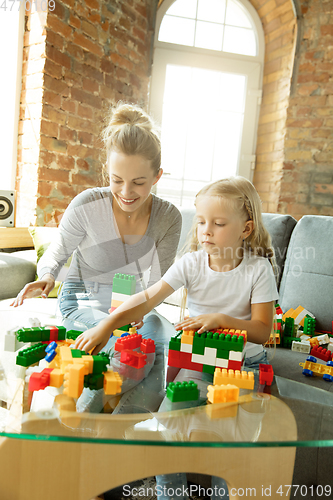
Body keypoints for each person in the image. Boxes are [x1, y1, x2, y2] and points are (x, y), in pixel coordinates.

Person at [74, 175, 278, 499]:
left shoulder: (258, 270)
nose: (205, 231)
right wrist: (108, 324)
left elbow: (263, 330)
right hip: (198, 363)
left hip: (244, 365)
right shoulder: (192, 263)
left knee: (234, 442)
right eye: (200, 222)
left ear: (246, 229)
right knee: (163, 430)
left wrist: (222, 320)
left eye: (219, 223)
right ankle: (172, 494)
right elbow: (148, 297)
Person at [11, 102, 182, 413]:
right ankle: (83, 422)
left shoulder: (169, 217)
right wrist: (47, 275)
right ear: (108, 171)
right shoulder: (88, 204)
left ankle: (123, 433)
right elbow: (59, 251)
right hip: (83, 299)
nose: (126, 192)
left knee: (162, 350)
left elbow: (157, 283)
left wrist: (137, 310)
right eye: (117, 180)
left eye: (138, 183)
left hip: (133, 305)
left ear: (157, 176)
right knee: (133, 352)